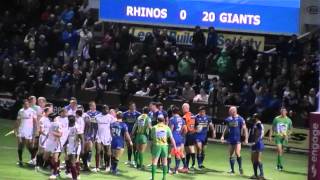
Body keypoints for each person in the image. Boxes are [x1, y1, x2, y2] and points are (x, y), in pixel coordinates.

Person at [221, 106, 248, 174]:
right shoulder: (228, 119)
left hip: (237, 139)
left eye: (230, 111)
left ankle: (240, 168)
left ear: (234, 111)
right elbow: (227, 128)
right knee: (231, 155)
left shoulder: (240, 119)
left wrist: (246, 138)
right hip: (230, 139)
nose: (229, 112)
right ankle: (232, 170)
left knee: (237, 153)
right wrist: (222, 136)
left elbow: (245, 128)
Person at [150, 115, 177, 180]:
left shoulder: (154, 127)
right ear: (164, 120)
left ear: (157, 120)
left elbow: (152, 138)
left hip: (157, 146)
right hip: (165, 146)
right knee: (165, 161)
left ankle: (153, 178)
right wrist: (175, 147)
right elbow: (171, 138)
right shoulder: (167, 127)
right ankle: (164, 178)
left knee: (154, 162)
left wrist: (151, 146)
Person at [93, 106, 116, 172]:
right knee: (97, 151)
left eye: (107, 109)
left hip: (107, 136)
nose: (107, 110)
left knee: (107, 152)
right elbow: (94, 125)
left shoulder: (111, 117)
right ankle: (97, 167)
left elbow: (113, 126)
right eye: (105, 109)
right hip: (99, 136)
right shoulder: (97, 116)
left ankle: (107, 166)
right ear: (102, 109)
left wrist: (113, 135)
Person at [15, 99, 37, 167]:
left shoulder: (32, 111)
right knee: (20, 145)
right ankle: (20, 160)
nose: (27, 105)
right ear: (23, 105)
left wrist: (34, 132)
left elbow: (35, 122)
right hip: (21, 131)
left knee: (29, 146)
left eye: (27, 104)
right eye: (25, 104)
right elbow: (18, 121)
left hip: (29, 131)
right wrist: (16, 130)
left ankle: (34, 159)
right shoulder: (20, 111)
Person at [43, 111, 63, 180]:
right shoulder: (49, 124)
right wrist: (44, 141)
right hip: (49, 143)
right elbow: (47, 133)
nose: (58, 117)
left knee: (55, 158)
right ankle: (56, 168)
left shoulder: (58, 124)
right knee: (45, 157)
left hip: (55, 143)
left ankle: (54, 173)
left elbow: (60, 134)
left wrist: (54, 133)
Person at [169, 106, 188, 173]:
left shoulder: (172, 119)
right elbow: (185, 130)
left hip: (173, 137)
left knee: (170, 153)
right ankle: (178, 169)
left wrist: (168, 137)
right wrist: (180, 134)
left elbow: (171, 130)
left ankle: (170, 169)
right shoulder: (182, 119)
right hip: (180, 138)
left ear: (172, 112)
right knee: (178, 153)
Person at [83, 101, 101, 171]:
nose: (94, 106)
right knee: (88, 148)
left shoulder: (99, 113)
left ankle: (99, 162)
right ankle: (87, 161)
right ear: (90, 106)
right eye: (92, 105)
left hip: (97, 132)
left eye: (95, 105)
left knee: (98, 148)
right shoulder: (87, 114)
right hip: (88, 133)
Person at [35, 107, 52, 171]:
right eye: (50, 111)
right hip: (43, 138)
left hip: (48, 138)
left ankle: (42, 165)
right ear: (46, 111)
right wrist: (46, 135)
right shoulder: (42, 119)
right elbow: (41, 131)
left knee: (45, 152)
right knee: (41, 152)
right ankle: (37, 165)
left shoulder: (48, 119)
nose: (51, 112)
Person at [66, 115, 81, 180]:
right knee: (68, 159)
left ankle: (76, 176)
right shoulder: (67, 126)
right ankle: (70, 173)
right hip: (69, 145)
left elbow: (78, 139)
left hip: (75, 146)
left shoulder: (77, 127)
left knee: (74, 161)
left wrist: (76, 148)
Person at [250, 113, 265, 180]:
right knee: (253, 159)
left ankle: (261, 175)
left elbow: (260, 134)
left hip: (258, 143)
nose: (253, 118)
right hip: (254, 144)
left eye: (254, 117)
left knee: (258, 160)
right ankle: (255, 175)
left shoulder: (259, 125)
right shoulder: (255, 124)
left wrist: (256, 141)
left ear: (257, 118)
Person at [182, 103, 196, 170]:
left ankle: (193, 165)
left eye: (183, 108)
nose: (182, 110)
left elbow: (183, 126)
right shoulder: (193, 115)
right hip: (192, 134)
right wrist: (195, 131)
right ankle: (187, 165)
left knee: (190, 149)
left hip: (187, 134)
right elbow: (198, 124)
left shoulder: (185, 116)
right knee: (188, 150)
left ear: (186, 108)